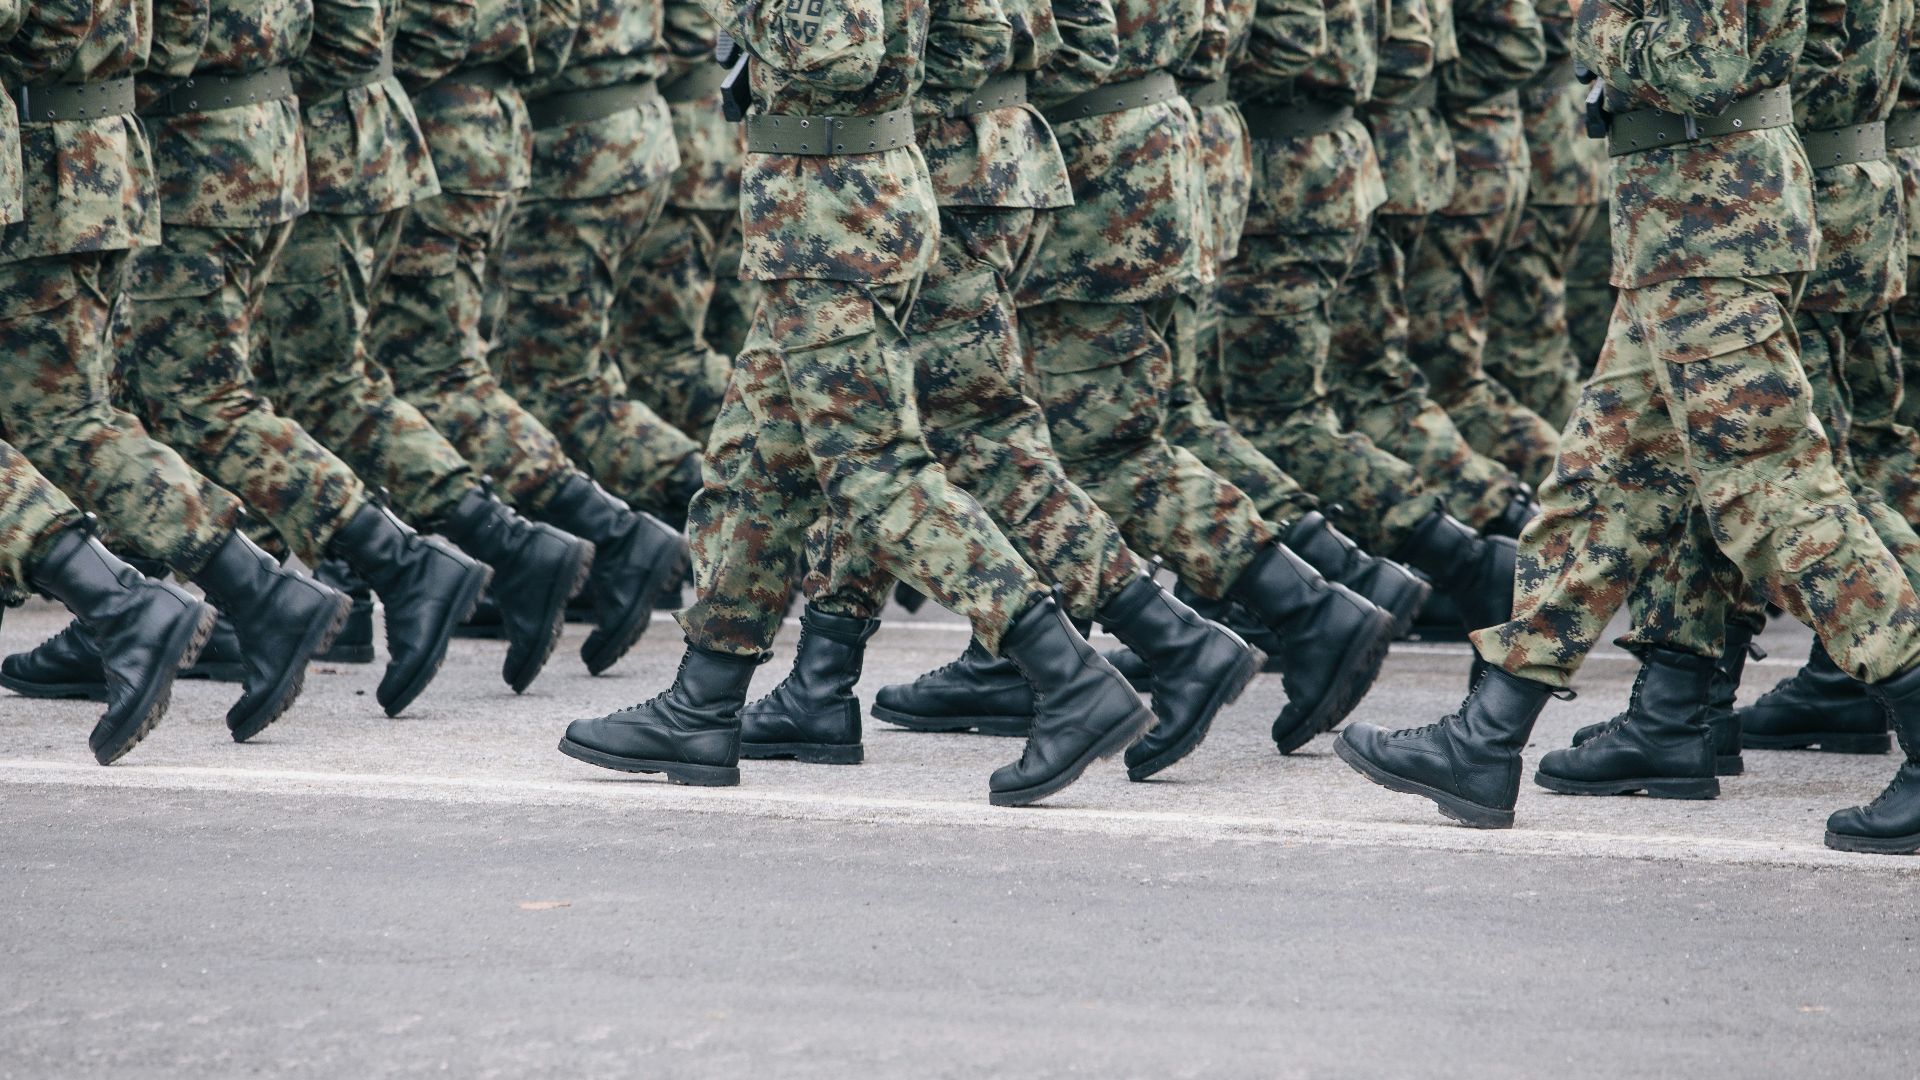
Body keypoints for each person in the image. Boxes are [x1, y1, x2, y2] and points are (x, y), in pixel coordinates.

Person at [1335, 0, 1920, 857]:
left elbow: (1706, 59)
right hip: (1682, 217)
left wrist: (1594, 29)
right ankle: (1486, 738)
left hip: (1713, 216)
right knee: (1601, 481)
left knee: (1772, 489)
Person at [557, 0, 1157, 807]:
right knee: (757, 457)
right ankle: (704, 702)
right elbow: (973, 36)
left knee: (873, 469)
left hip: (828, 205)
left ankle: (1066, 672)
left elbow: (836, 48)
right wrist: (887, 117)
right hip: (853, 190)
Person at [737, 0, 1261, 781]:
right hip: (987, 153)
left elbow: (849, 54)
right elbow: (1084, 39)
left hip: (925, 158)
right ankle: (821, 677)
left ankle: (1170, 641)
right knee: (920, 432)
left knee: (927, 439)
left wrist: (906, 98)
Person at [0, 0, 354, 740]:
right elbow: (182, 29)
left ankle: (137, 602)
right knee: (76, 414)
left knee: (71, 416)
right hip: (101, 149)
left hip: (55, 152)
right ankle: (250, 592)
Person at [372, 0, 691, 678]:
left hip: (498, 127)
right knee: (526, 370)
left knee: (465, 377)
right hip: (551, 123)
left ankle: (607, 535)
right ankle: (578, 541)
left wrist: (404, 74)